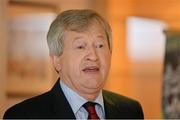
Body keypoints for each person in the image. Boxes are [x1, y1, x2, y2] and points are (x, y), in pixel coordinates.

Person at [3, 9, 144, 119]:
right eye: (81, 47)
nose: (93, 56)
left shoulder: (130, 111)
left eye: (100, 46)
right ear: (57, 60)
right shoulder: (23, 116)